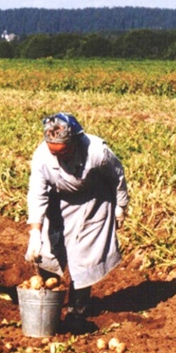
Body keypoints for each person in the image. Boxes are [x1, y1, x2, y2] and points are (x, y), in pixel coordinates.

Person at [25, 112, 129, 334]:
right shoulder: (42, 157)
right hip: (59, 201)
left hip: (94, 202)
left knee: (85, 258)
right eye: (55, 153)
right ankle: (48, 303)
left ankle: (76, 313)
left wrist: (121, 206)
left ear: (74, 141)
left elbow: (118, 176)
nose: (59, 158)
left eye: (63, 152)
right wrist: (35, 232)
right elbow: (37, 194)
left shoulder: (97, 152)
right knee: (50, 251)